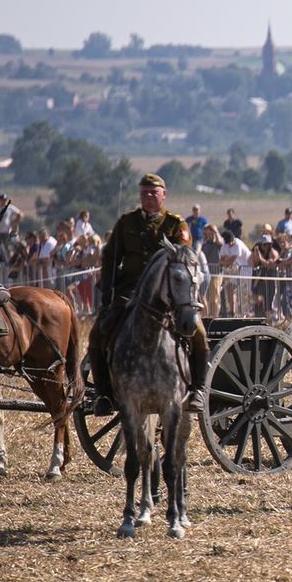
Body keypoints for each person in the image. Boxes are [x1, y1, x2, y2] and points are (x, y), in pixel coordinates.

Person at [88, 174, 206, 415]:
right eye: (144, 193)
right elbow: (111, 258)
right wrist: (108, 295)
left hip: (168, 294)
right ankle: (103, 395)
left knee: (199, 333)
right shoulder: (126, 223)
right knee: (99, 332)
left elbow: (184, 259)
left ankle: (198, 390)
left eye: (154, 193)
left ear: (164, 195)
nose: (148, 197)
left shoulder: (176, 225)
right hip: (129, 291)